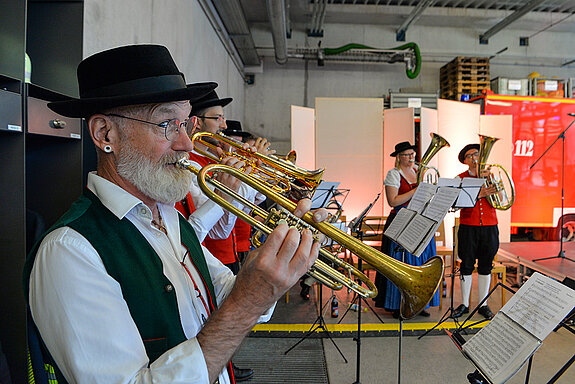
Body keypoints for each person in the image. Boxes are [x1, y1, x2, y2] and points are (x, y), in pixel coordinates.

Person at [23, 44, 326, 384]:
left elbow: (228, 296)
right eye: (167, 124)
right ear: (105, 134)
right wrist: (248, 301)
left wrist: (272, 266)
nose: (188, 144)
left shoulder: (170, 219)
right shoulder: (69, 251)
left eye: (186, 124)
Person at [373, 141, 439, 317]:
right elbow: (393, 201)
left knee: (422, 262)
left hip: (421, 220)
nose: (411, 158)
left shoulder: (420, 171)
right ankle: (398, 304)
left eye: (413, 154)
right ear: (398, 157)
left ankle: (420, 303)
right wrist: (417, 190)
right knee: (401, 263)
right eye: (407, 155)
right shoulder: (394, 174)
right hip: (401, 221)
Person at [452, 144, 499, 320]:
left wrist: (492, 184)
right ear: (465, 161)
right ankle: (464, 304)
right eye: (470, 156)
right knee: (466, 264)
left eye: (477, 154)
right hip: (468, 227)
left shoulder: (491, 176)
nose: (474, 158)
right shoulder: (460, 178)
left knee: (486, 265)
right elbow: (455, 204)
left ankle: (483, 305)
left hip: (490, 226)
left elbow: (501, 200)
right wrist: (479, 194)